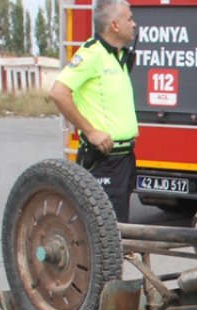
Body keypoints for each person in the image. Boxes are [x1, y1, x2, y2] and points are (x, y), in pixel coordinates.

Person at [49, 0, 138, 222]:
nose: (134, 24)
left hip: (124, 159)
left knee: (119, 231)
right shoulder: (92, 54)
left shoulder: (118, 56)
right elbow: (58, 93)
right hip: (103, 161)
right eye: (129, 19)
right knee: (103, 233)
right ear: (115, 25)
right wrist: (90, 131)